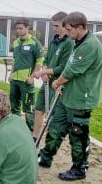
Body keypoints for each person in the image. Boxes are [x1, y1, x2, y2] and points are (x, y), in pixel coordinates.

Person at [38, 12, 102, 181]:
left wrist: (57, 82)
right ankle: (45, 157)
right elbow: (70, 65)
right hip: (67, 97)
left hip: (81, 100)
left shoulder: (90, 45)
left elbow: (71, 71)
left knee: (78, 135)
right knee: (55, 128)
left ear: (80, 27)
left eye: (69, 29)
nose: (67, 33)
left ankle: (80, 168)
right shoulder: (77, 42)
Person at [32, 12, 75, 141]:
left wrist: (44, 72)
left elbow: (63, 67)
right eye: (53, 25)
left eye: (56, 26)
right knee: (39, 109)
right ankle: (35, 137)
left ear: (65, 25)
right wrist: (44, 69)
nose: (54, 28)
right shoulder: (54, 40)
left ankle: (51, 140)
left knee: (54, 115)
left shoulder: (69, 43)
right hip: (47, 83)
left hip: (58, 85)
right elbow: (46, 59)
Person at [9, 18, 44, 131]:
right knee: (14, 106)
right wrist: (11, 74)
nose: (18, 31)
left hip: (26, 81)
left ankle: (30, 131)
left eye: (21, 28)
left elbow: (39, 62)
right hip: (15, 80)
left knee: (28, 107)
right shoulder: (15, 42)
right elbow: (15, 60)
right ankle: (16, 127)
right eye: (17, 28)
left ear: (27, 28)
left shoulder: (35, 43)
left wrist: (32, 77)